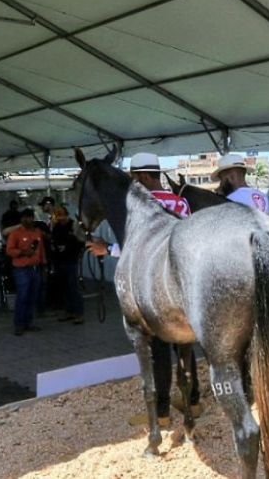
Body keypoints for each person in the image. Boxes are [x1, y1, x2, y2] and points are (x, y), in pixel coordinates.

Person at [87, 152, 201, 427]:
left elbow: (138, 251)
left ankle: (161, 414)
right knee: (185, 344)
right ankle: (194, 402)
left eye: (135, 179)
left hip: (154, 286)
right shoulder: (181, 202)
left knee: (157, 349)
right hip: (184, 283)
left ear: (142, 177)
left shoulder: (141, 207)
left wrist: (107, 249)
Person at [6, 208, 46, 336]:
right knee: (22, 297)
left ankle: (29, 323)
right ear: (21, 219)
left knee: (32, 297)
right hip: (21, 269)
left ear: (33, 218)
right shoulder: (15, 234)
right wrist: (23, 252)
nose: (27, 220)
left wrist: (43, 265)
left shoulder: (37, 233)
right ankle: (19, 325)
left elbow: (41, 251)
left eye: (29, 217)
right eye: (24, 217)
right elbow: (9, 251)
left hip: (35, 269)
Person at [50, 207, 85, 324]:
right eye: (58, 215)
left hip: (71, 260)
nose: (60, 218)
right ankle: (69, 311)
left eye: (62, 215)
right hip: (59, 261)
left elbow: (81, 241)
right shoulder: (56, 227)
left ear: (66, 215)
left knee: (74, 287)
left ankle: (79, 313)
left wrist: (69, 248)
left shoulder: (74, 225)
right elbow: (53, 240)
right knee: (64, 288)